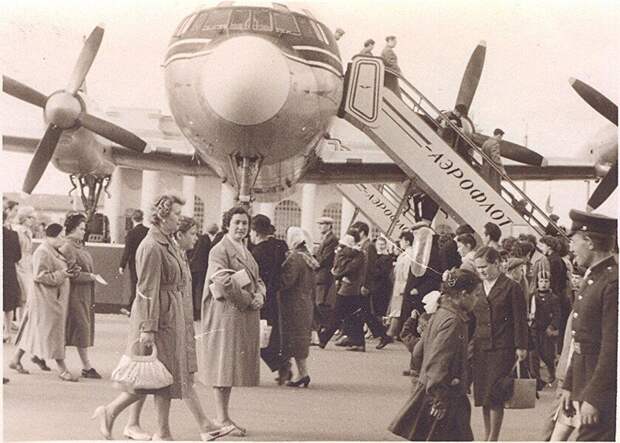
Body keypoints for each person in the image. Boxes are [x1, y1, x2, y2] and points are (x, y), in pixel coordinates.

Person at [93, 195, 226, 441]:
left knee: (164, 375)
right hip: (159, 317)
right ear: (163, 216)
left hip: (169, 314)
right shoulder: (151, 246)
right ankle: (147, 427)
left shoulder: (166, 242)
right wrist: (148, 328)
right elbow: (146, 290)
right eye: (175, 213)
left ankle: (135, 421)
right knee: (161, 375)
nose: (179, 218)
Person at [389, 269, 482, 441]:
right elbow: (440, 360)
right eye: (476, 294)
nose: (477, 299)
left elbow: (418, 351)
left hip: (430, 390)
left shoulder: (441, 313)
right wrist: (439, 397)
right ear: (463, 294)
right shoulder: (454, 321)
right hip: (445, 394)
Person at [197, 206, 266, 437]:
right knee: (223, 365)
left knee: (228, 365)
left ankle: (223, 416)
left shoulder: (244, 249)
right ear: (227, 224)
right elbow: (222, 281)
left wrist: (261, 295)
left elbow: (258, 278)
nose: (241, 227)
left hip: (237, 314)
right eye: (236, 222)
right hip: (225, 314)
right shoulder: (220, 250)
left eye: (245, 223)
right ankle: (222, 418)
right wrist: (249, 300)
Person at [560, 209, 617, 441]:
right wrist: (569, 384)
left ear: (590, 242)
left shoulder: (612, 283)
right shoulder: (595, 278)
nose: (571, 248)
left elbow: (612, 347)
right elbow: (581, 339)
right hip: (586, 379)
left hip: (600, 389)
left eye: (574, 241)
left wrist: (595, 397)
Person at [472, 246, 528, 441]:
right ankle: (487, 435)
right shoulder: (477, 287)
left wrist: (521, 346)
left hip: (502, 348)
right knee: (483, 396)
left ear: (496, 263)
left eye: (484, 267)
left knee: (495, 395)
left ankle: (492, 438)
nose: (481, 271)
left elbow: (520, 319)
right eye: (478, 268)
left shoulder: (512, 287)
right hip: (481, 347)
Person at [10, 223, 75, 380]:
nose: (63, 238)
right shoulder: (43, 252)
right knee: (54, 333)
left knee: (33, 330)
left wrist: (65, 272)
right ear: (50, 236)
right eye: (60, 235)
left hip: (49, 298)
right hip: (47, 300)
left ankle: (15, 359)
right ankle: (62, 368)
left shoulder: (51, 250)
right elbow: (39, 276)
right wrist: (62, 274)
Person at [59, 213, 101, 379]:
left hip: (83, 294)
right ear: (73, 229)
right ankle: (86, 366)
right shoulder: (68, 247)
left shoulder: (77, 246)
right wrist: (90, 277)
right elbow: (71, 272)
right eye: (81, 229)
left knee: (72, 329)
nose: (84, 232)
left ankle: (33, 355)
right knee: (81, 328)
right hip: (74, 295)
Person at [249, 214, 289, 384]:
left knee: (257, 336)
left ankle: (280, 365)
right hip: (274, 297)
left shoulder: (256, 253)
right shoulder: (279, 246)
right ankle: (282, 365)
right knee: (269, 336)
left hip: (260, 297)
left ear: (255, 232)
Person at [279, 227, 319, 388]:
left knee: (293, 339)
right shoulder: (308, 256)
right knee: (301, 339)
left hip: (293, 304)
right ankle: (302, 373)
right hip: (305, 302)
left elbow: (287, 281)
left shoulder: (295, 258)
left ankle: (302, 374)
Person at [318, 230, 366, 350]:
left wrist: (337, 275)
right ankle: (358, 341)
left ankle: (323, 338)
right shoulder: (357, 253)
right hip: (350, 287)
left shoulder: (356, 254)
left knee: (338, 313)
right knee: (352, 314)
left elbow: (349, 268)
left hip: (348, 287)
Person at [350, 221, 392, 350]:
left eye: (355, 231)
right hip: (360, 284)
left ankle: (378, 337)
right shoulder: (364, 246)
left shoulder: (369, 247)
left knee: (363, 312)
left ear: (362, 232)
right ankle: (362, 341)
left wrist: (366, 285)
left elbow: (369, 268)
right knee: (363, 312)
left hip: (364, 285)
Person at [399, 222, 443, 335]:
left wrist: (420, 289)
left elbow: (435, 277)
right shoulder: (419, 250)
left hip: (422, 295)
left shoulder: (433, 252)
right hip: (413, 293)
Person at [527, 269, 561, 390]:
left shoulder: (553, 298)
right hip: (535, 329)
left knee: (547, 354)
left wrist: (552, 326)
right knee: (533, 355)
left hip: (546, 331)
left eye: (546, 281)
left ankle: (552, 372)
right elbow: (529, 311)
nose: (543, 283)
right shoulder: (533, 296)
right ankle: (536, 380)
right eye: (541, 281)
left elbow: (557, 315)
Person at [118, 209, 148, 316]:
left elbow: (128, 250)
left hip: (134, 264)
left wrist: (122, 265)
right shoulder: (148, 232)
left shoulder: (131, 233)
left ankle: (132, 308)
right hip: (147, 262)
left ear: (132, 219)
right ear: (142, 218)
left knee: (134, 285)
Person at [313, 216, 339, 341]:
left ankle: (327, 325)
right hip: (321, 274)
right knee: (319, 303)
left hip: (324, 274)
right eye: (319, 224)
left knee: (320, 303)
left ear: (329, 225)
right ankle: (321, 328)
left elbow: (325, 258)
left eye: (323, 224)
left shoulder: (331, 239)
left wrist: (314, 262)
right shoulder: (325, 238)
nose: (320, 226)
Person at [386, 230, 414, 338]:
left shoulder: (408, 255)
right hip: (399, 284)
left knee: (397, 310)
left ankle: (392, 332)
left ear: (407, 242)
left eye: (402, 240)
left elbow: (407, 272)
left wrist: (404, 286)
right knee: (396, 309)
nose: (400, 242)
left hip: (402, 284)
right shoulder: (405, 254)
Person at [13, 206, 36, 325]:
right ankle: (19, 321)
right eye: (30, 217)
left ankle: (21, 322)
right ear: (24, 218)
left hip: (27, 265)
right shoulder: (17, 231)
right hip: (19, 264)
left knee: (26, 296)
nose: (33, 220)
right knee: (23, 295)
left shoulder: (29, 232)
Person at [3, 208, 22, 343]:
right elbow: (18, 256)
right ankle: (7, 332)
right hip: (8, 270)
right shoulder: (13, 235)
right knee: (8, 303)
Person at [190, 224, 213, 321]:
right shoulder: (206, 238)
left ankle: (194, 312)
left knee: (193, 290)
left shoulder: (192, 239)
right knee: (200, 290)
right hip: (202, 268)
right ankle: (199, 312)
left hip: (193, 268)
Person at [369, 236, 396, 320]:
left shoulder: (387, 258)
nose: (381, 246)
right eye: (379, 244)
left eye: (382, 244)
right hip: (375, 285)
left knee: (380, 308)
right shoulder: (374, 256)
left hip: (382, 286)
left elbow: (383, 272)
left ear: (385, 245)